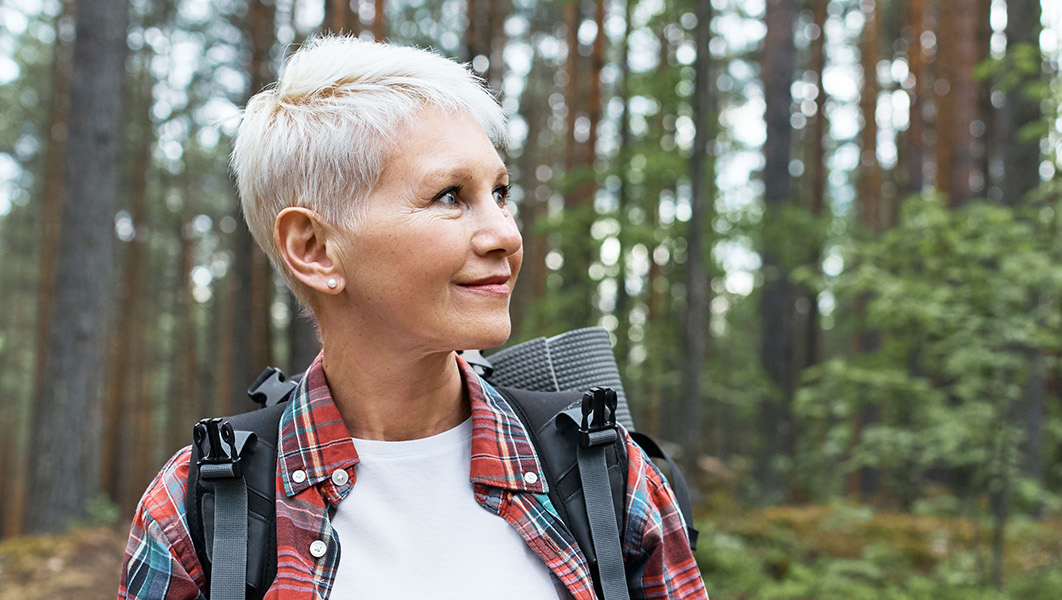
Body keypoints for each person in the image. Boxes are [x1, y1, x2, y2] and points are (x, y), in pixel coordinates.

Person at [118, 36, 706, 600]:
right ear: (315, 249)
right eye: (450, 195)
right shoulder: (199, 508)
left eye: (500, 192)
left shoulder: (604, 469)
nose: (506, 232)